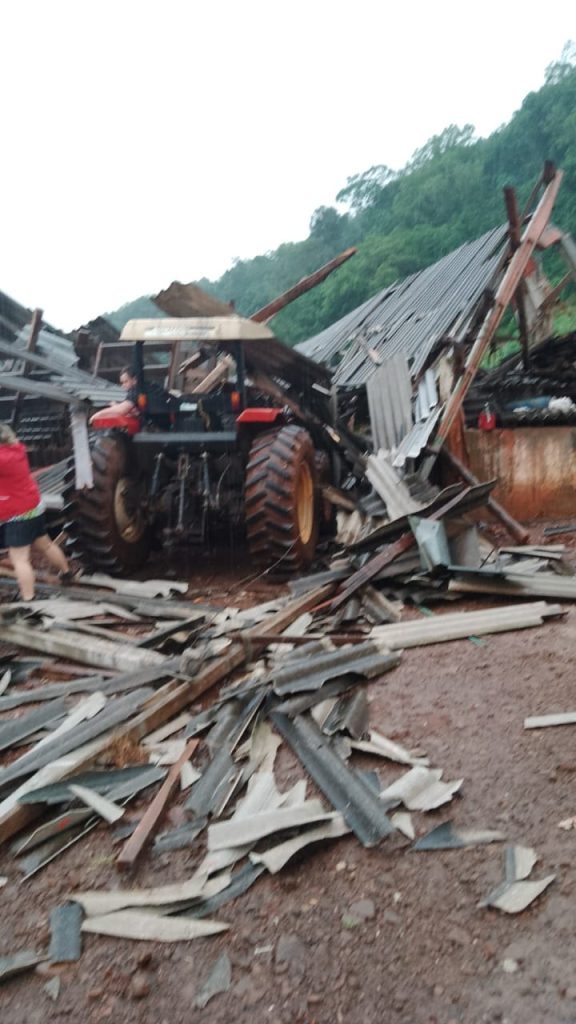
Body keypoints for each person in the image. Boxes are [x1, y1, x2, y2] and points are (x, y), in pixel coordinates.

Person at [0, 423, 72, 601]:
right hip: (33, 508)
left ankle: (29, 598)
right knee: (46, 545)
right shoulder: (17, 450)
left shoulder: (2, 459)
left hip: (17, 514)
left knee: (19, 558)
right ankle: (67, 572)